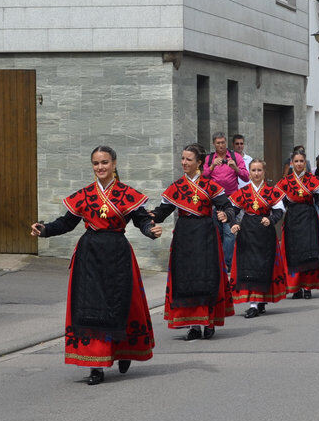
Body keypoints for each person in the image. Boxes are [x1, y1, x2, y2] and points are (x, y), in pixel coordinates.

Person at [31, 146, 162, 386]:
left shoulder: (126, 194)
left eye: (104, 162)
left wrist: (150, 231)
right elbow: (67, 222)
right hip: (89, 256)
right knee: (92, 309)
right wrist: (45, 230)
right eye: (95, 163)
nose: (100, 167)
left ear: (114, 163)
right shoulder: (85, 195)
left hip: (117, 254)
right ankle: (96, 366)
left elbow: (142, 220)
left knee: (122, 305)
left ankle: (124, 352)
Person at [151, 143, 235, 340]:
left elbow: (227, 206)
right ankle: (194, 325)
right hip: (184, 236)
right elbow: (161, 212)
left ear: (199, 163)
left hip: (205, 234)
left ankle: (209, 321)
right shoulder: (176, 187)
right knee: (186, 278)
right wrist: (148, 218)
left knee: (206, 277)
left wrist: (226, 215)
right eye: (182, 159)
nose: (184, 163)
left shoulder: (210, 185)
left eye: (188, 159)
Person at [228, 159, 287, 318]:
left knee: (264, 266)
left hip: (265, 232)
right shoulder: (243, 191)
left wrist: (271, 220)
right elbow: (231, 210)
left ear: (264, 172)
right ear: (249, 172)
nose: (256, 173)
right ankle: (253, 304)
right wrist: (233, 223)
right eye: (253, 170)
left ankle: (261, 300)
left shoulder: (271, 191)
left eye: (259, 170)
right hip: (247, 232)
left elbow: (279, 211)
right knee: (250, 267)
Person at [275, 149, 319, 299]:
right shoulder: (285, 182)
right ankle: (295, 287)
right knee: (294, 252)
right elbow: (280, 202)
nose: (299, 164)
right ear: (292, 163)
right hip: (292, 218)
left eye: (301, 161)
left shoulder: (313, 180)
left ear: (305, 163)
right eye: (296, 161)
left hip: (309, 218)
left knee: (309, 252)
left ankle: (307, 287)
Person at [202, 132, 248, 271]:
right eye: (218, 143)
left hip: (231, 201)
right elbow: (202, 178)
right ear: (214, 144)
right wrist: (211, 167)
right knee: (217, 232)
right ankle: (219, 261)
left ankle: (226, 265)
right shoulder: (209, 158)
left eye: (223, 142)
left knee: (230, 232)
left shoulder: (235, 157)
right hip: (215, 200)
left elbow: (246, 177)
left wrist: (235, 168)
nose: (221, 145)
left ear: (226, 142)